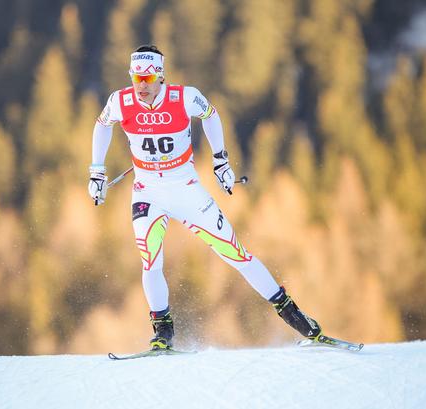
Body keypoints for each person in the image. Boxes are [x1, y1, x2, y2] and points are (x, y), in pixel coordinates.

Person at [88, 44, 322, 350]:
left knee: (236, 254)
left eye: (146, 80)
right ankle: (162, 332)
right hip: (147, 192)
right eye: (135, 79)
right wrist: (96, 170)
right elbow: (102, 125)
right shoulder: (120, 101)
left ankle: (294, 315)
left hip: (186, 190)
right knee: (150, 261)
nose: (140, 87)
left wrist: (220, 160)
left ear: (160, 76)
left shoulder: (184, 97)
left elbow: (211, 115)